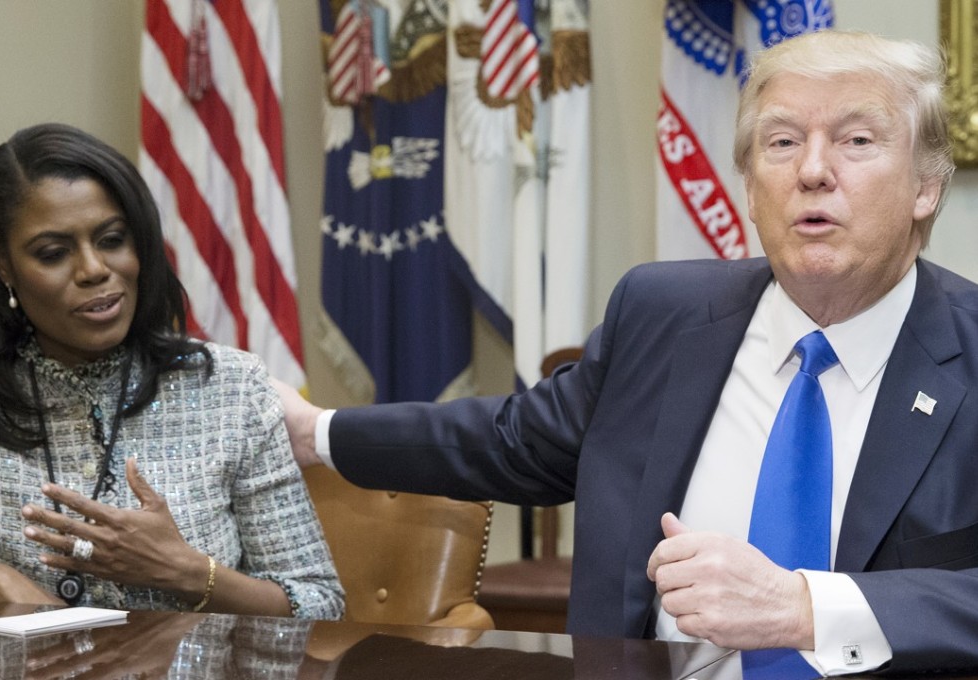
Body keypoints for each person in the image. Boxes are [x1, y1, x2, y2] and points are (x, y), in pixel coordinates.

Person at [277, 29, 978, 675]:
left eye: (857, 141)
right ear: (751, 189)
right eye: (782, 142)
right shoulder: (662, 315)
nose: (814, 171)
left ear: (926, 187)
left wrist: (806, 608)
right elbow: (513, 441)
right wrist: (318, 434)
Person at [0, 123, 344, 620]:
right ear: (1, 261)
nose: (94, 269)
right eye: (53, 253)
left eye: (113, 240)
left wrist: (185, 573)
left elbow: (321, 604)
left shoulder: (231, 387)